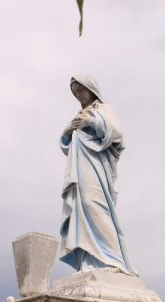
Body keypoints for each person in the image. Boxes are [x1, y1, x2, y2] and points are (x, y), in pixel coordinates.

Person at [59, 74, 137, 275]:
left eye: (81, 90)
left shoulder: (103, 110)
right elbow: (67, 145)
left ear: (91, 89)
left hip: (97, 168)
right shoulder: (79, 115)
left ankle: (113, 261)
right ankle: (90, 260)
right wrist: (68, 130)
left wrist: (91, 122)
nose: (79, 95)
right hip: (79, 168)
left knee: (95, 206)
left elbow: (116, 133)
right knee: (82, 208)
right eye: (75, 92)